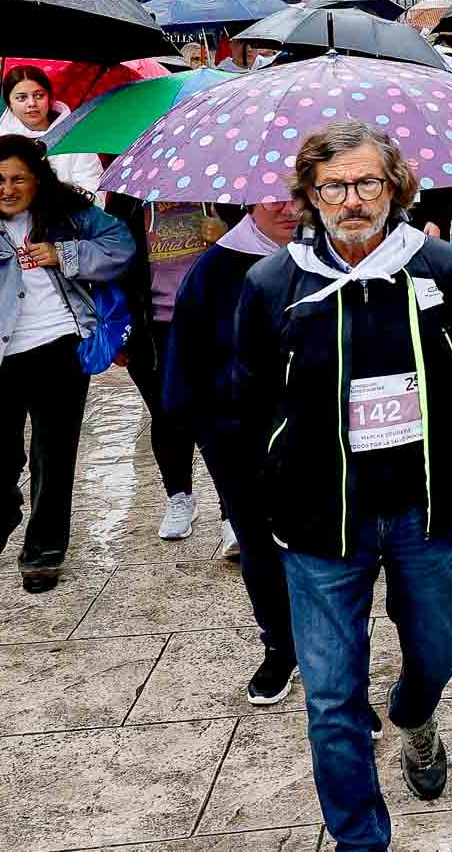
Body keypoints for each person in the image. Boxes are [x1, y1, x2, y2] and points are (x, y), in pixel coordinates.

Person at [231, 120, 452, 852]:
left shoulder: (438, 267)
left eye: (367, 182)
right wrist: (276, 479)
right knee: (333, 699)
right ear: (309, 195)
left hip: (423, 508)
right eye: (334, 186)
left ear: (395, 185)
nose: (352, 199)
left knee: (437, 649)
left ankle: (414, 713)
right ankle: (359, 839)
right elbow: (249, 400)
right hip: (318, 525)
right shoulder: (272, 284)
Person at [0, 135, 134, 594]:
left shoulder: (66, 215)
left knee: (54, 458)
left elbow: (120, 244)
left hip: (58, 350)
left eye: (19, 179)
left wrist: (68, 254)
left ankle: (44, 552)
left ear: (38, 179)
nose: (8, 189)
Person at [164, 196, 307, 705]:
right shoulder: (217, 266)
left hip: (316, 432)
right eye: (274, 198)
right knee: (258, 545)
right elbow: (186, 360)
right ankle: (280, 646)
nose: (289, 208)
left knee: (323, 550)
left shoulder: (333, 256)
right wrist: (205, 427)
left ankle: (334, 668)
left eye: (298, 193)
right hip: (236, 433)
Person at [109, 195, 223, 542]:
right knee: (166, 414)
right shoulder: (127, 202)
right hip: (152, 328)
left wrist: (226, 237)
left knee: (219, 417)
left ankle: (232, 510)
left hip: (213, 322)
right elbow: (112, 266)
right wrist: (118, 333)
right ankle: (178, 497)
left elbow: (262, 249)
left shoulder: (223, 195)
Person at [0, 65, 104, 194]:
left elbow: (96, 196)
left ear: (50, 99)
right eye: (21, 98)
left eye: (39, 96)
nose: (32, 103)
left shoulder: (77, 141)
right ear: (9, 103)